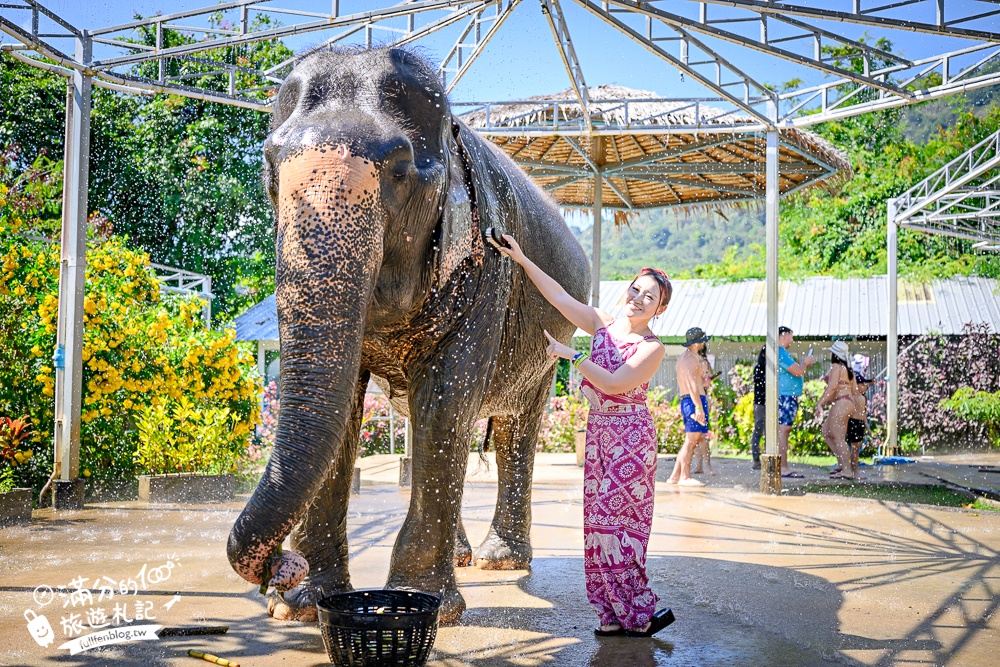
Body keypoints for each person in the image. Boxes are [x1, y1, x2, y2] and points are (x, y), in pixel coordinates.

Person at [497, 234, 676, 638]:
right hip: (599, 435)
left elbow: (614, 384)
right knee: (597, 525)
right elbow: (559, 296)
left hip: (630, 438)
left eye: (648, 296)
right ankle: (610, 614)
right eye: (635, 289)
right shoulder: (600, 323)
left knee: (621, 526)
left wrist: (572, 355)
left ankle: (638, 612)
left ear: (659, 308)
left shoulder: (653, 348)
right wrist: (523, 258)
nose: (637, 298)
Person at [666, 327, 711, 486]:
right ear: (697, 343)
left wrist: (704, 382)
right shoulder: (690, 360)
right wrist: (698, 408)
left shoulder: (685, 358)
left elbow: (695, 382)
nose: (704, 343)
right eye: (702, 341)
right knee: (691, 440)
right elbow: (692, 386)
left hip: (690, 400)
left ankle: (674, 476)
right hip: (693, 401)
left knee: (692, 439)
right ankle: (684, 477)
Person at [776, 326, 816, 478]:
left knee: (784, 430)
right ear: (784, 335)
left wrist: (804, 365)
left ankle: (783, 466)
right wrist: (805, 363)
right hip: (785, 397)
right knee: (783, 431)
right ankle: (783, 467)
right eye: (791, 337)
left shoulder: (781, 353)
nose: (792, 340)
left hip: (787, 396)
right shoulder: (780, 353)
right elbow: (798, 371)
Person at [816, 341, 855, 480]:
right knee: (826, 432)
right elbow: (854, 389)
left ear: (835, 354)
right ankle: (841, 464)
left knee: (838, 437)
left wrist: (820, 403)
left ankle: (847, 470)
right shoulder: (848, 368)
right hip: (847, 402)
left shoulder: (836, 366)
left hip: (842, 402)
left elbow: (832, 387)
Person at [691, 344, 717, 476]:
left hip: (699, 398)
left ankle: (706, 466)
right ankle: (701, 466)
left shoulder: (701, 362)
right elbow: (707, 381)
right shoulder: (699, 361)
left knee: (700, 436)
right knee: (697, 436)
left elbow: (706, 383)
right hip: (699, 398)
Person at [749, 346, 766, 470]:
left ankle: (768, 458)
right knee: (759, 429)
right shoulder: (759, 369)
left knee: (771, 432)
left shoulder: (774, 369)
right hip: (760, 403)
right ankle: (756, 459)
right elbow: (762, 385)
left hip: (770, 403)